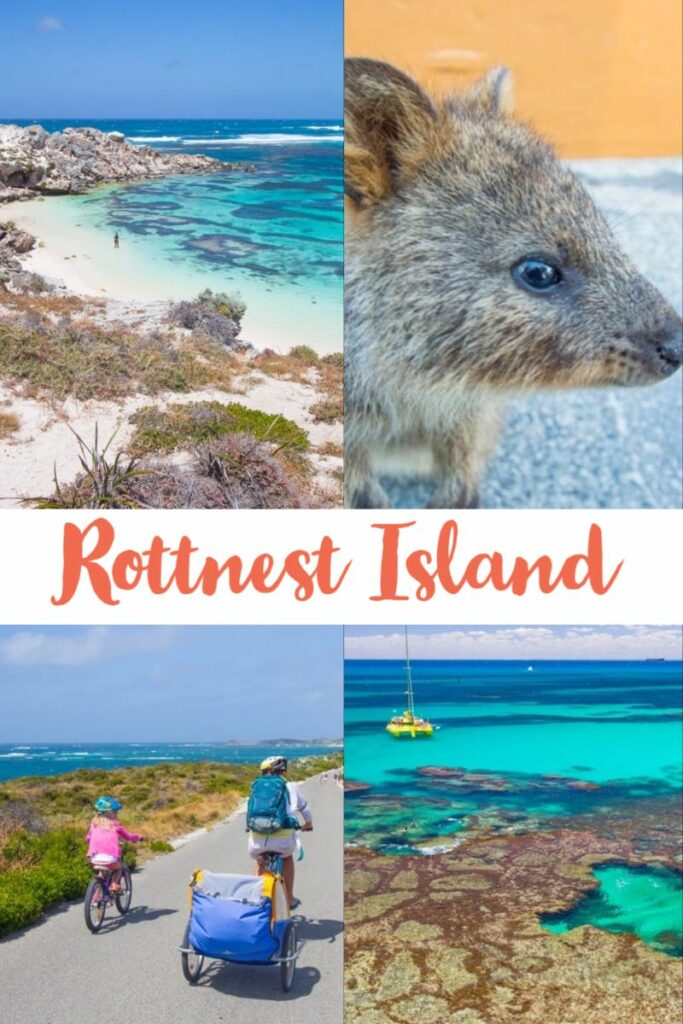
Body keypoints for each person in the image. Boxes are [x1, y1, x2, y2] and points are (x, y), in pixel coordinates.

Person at [247, 756, 312, 910]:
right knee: (287, 859)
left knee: (260, 861)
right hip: (283, 840)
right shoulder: (291, 786)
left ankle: (256, 898)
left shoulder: (256, 786)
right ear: (283, 770)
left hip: (257, 840)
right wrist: (308, 824)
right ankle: (289, 898)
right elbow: (304, 809)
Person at [86, 796, 143, 893]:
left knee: (102, 872)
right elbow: (128, 836)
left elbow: (88, 838)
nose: (117, 814)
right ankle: (114, 884)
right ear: (111, 813)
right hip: (110, 858)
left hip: (93, 857)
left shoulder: (94, 824)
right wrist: (138, 837)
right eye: (116, 812)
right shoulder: (115, 824)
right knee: (118, 869)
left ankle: (96, 898)